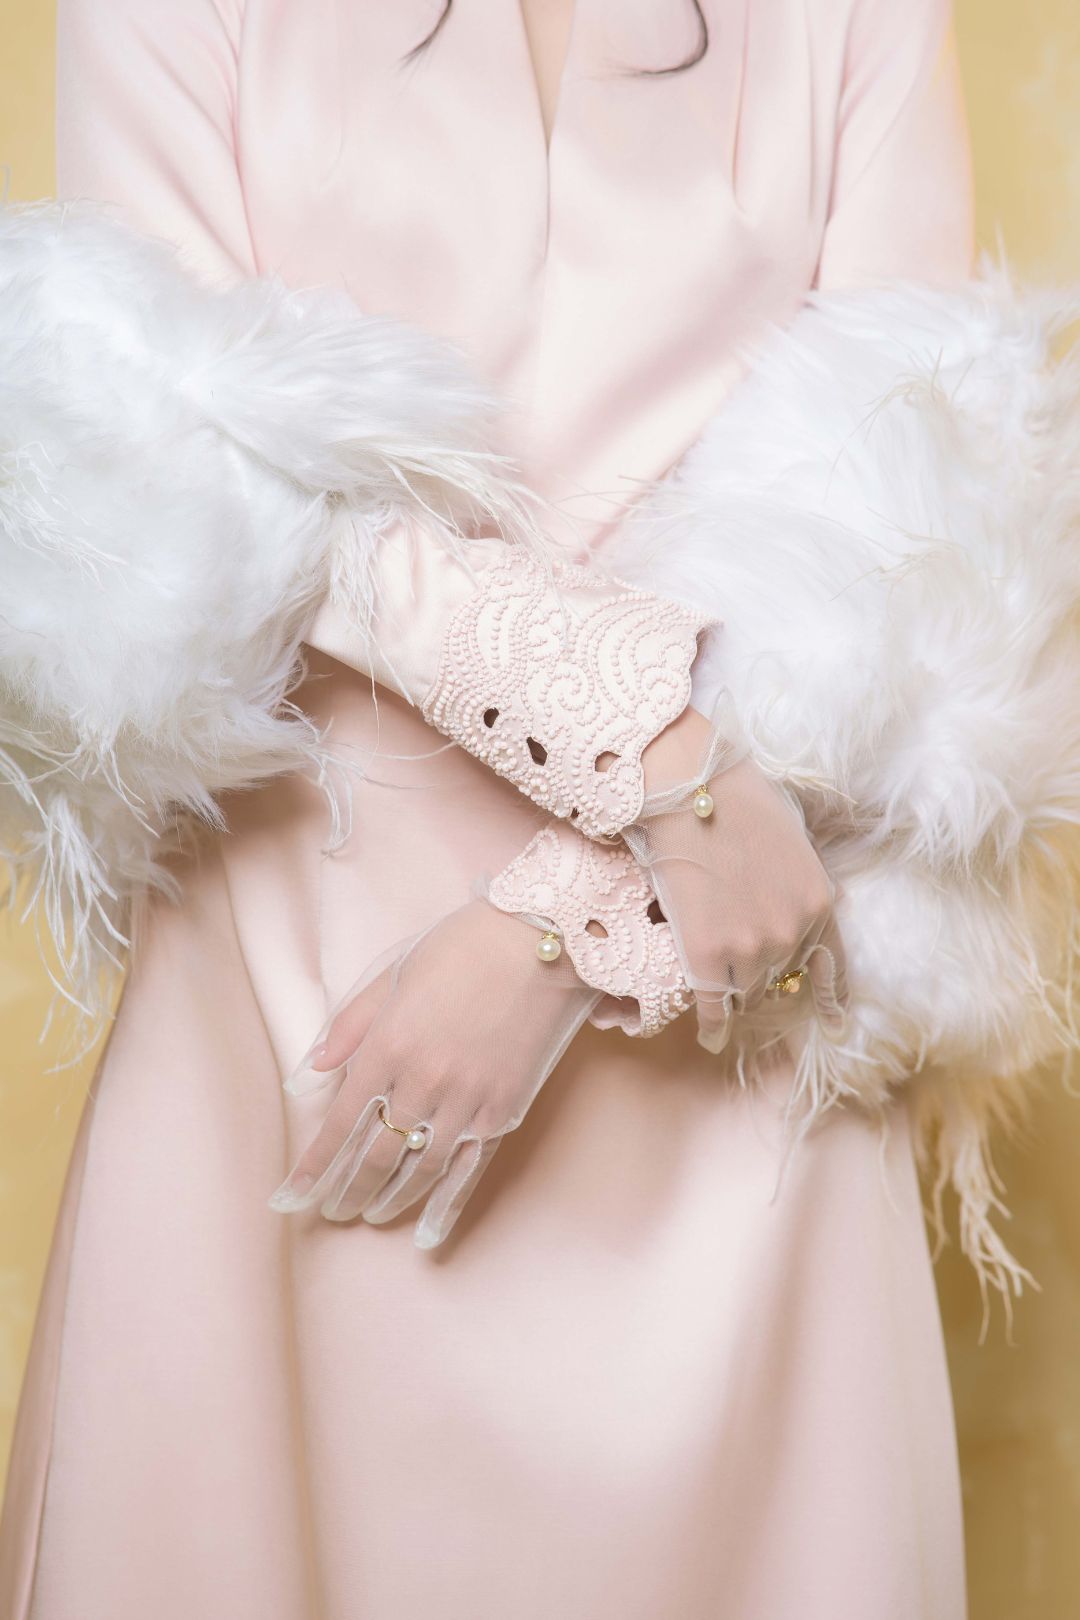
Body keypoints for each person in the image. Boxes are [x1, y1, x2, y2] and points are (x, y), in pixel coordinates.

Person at [2, 2, 1078, 1616]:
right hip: (303, 995)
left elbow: (915, 540)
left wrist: (561, 935)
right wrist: (649, 751)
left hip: (722, 997)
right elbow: (174, 451)